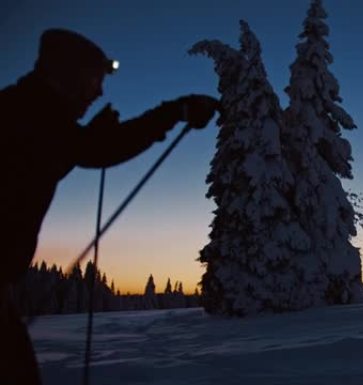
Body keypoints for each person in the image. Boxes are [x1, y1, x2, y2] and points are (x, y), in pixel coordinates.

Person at [0, 28, 220, 385]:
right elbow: (94, 149)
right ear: (69, 75)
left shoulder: (27, 111)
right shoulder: (29, 115)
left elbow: (85, 146)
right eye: (94, 79)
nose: (99, 91)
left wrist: (96, 137)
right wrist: (175, 111)